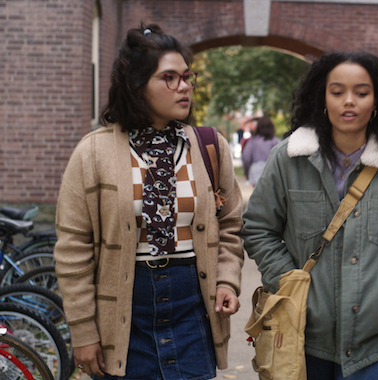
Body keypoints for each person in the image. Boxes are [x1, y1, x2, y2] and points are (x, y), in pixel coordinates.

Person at [53, 23, 245, 380]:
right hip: (124, 311)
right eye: (169, 78)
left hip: (193, 304)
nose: (184, 86)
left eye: (187, 77)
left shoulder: (207, 146)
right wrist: (83, 331)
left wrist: (227, 280)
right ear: (137, 86)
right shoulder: (93, 153)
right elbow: (73, 248)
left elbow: (231, 224)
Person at [241, 51, 378, 379]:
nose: (349, 101)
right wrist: (289, 286)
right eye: (337, 91)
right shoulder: (287, 160)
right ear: (322, 98)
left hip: (371, 338)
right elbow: (258, 228)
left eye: (361, 92)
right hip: (302, 333)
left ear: (377, 102)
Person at [241, 115, 279, 186]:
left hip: (256, 170)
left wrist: (246, 172)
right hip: (270, 170)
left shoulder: (253, 140)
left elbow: (246, 157)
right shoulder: (274, 141)